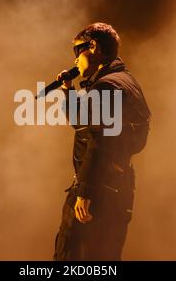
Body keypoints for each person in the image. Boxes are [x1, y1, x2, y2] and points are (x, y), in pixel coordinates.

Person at [53, 22, 151, 260]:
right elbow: (83, 123)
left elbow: (101, 142)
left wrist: (86, 191)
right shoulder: (124, 81)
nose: (75, 60)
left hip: (98, 190)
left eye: (78, 51)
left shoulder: (107, 86)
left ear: (93, 46)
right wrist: (68, 89)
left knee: (72, 255)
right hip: (117, 188)